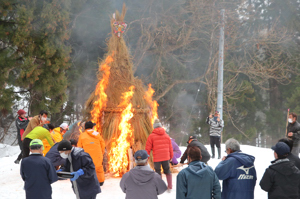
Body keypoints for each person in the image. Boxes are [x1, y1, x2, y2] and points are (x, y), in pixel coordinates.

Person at [145, 119, 173, 191]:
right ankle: (170, 186)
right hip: (166, 157)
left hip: (157, 158)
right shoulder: (167, 136)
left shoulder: (151, 136)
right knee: (167, 171)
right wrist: (171, 156)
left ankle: (159, 187)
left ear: (154, 127)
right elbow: (170, 148)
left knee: (158, 172)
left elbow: (148, 148)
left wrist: (146, 157)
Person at [77, 121, 106, 186]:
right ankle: (100, 181)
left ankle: (87, 181)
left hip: (86, 156)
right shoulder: (97, 134)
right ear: (92, 127)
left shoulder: (82, 135)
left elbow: (79, 147)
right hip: (98, 155)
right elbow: (102, 144)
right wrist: (101, 153)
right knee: (98, 168)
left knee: (87, 168)